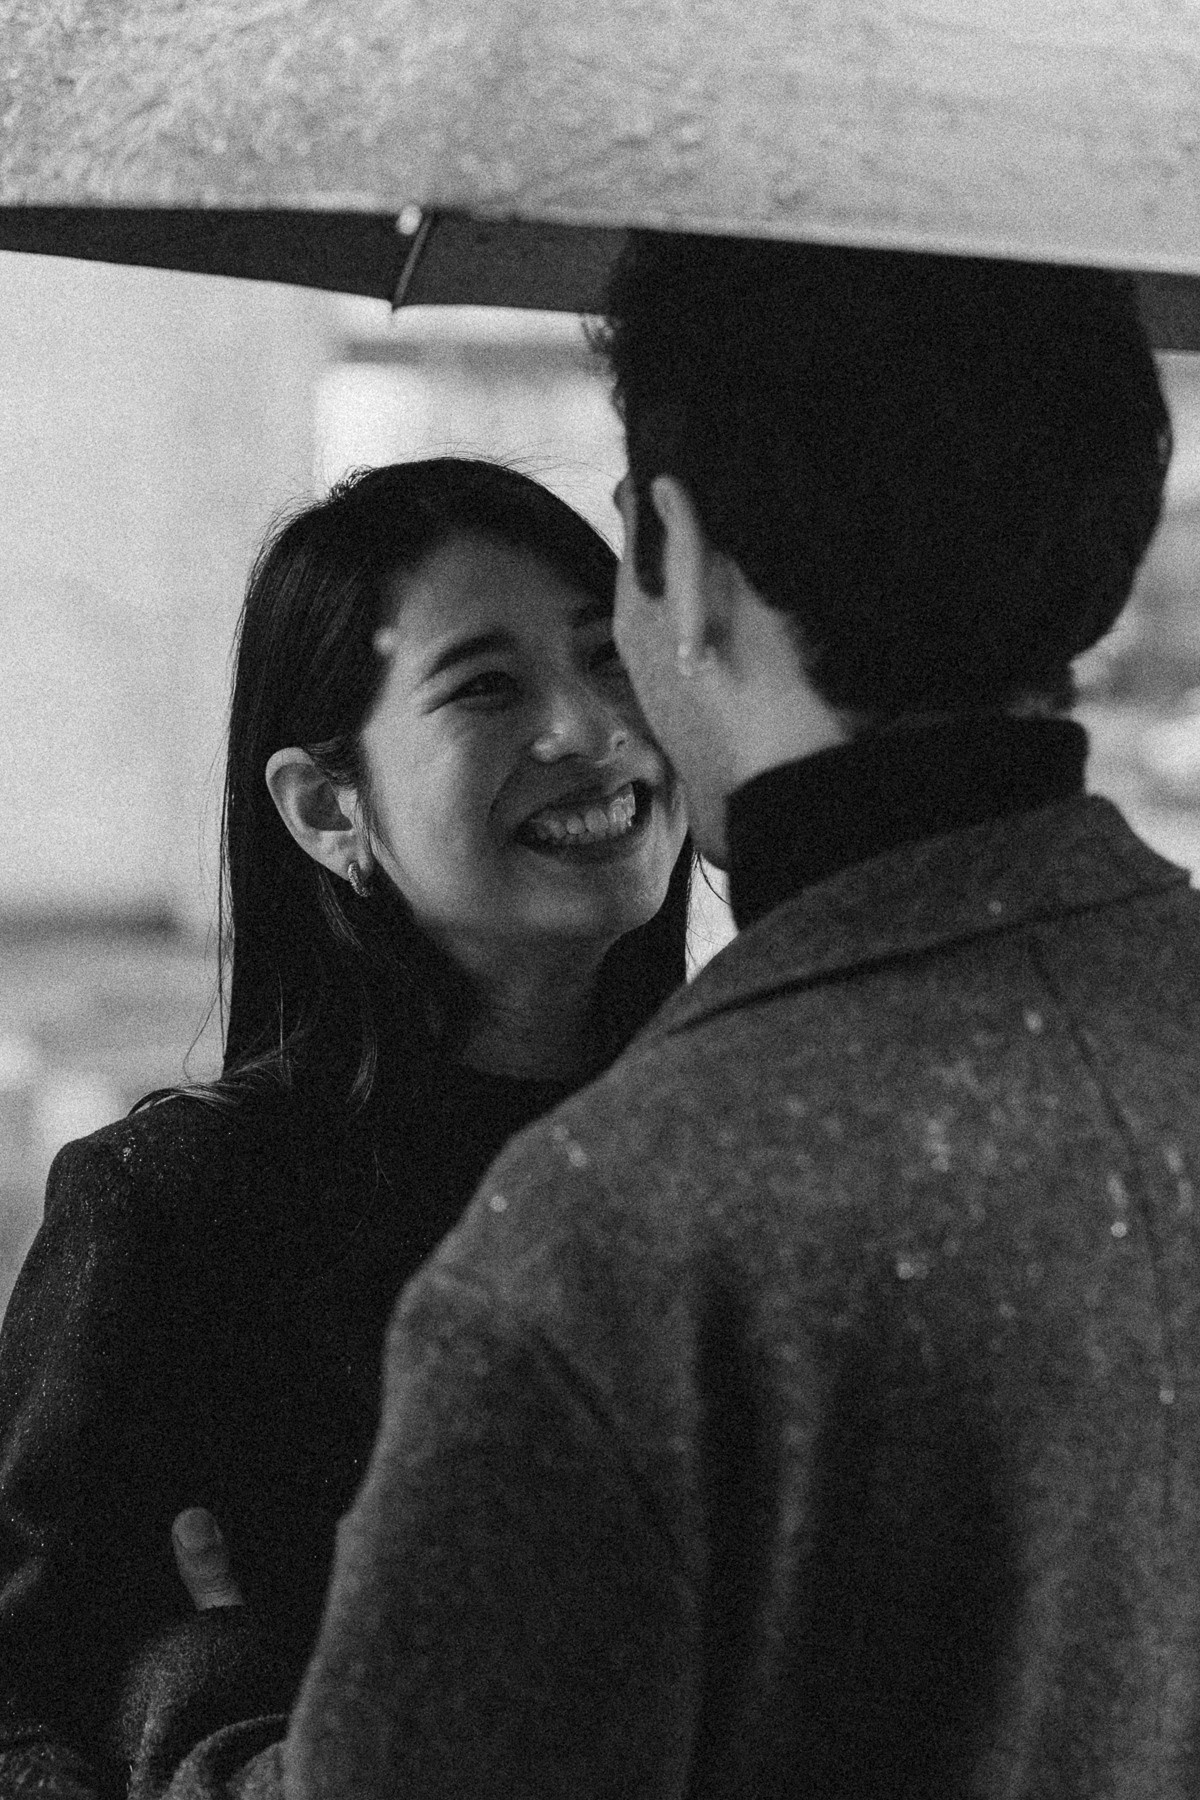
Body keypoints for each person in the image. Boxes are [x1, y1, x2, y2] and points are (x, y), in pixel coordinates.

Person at [158, 238, 1196, 1799]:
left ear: (682, 555)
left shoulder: (615, 1235)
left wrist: (210, 1697)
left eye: (610, 603)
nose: (589, 723)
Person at [0, 456, 692, 1798]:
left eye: (611, 657)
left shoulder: (746, 1150)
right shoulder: (183, 1209)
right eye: (486, 687)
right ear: (329, 809)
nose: (591, 727)